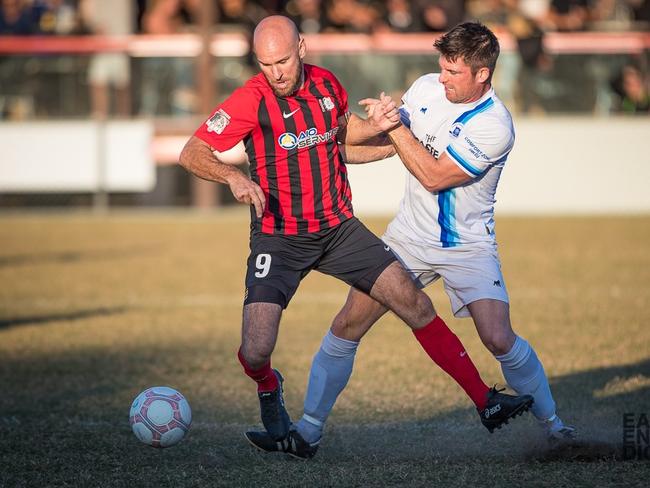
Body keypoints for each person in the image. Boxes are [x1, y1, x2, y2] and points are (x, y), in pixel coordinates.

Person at [179, 15, 533, 456]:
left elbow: (340, 136)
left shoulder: (327, 84)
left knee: (413, 301)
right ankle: (270, 389)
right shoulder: (251, 100)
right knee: (255, 350)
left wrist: (386, 128)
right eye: (266, 64)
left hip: (339, 229)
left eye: (284, 61)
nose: (276, 73)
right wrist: (232, 176)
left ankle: (486, 401)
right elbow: (191, 151)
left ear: (302, 48)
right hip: (279, 237)